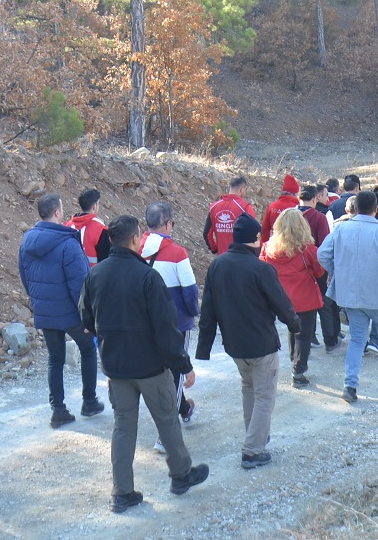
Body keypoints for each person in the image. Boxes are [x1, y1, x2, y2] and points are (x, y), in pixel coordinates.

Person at [81, 215, 210, 513]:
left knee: (123, 428)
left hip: (115, 367)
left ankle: (121, 493)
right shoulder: (148, 277)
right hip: (150, 367)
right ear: (135, 239)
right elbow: (166, 329)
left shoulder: (95, 275)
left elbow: (86, 318)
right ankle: (180, 476)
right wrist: (183, 364)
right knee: (166, 420)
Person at [196, 212, 299, 469]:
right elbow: (282, 304)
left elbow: (207, 309)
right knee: (265, 395)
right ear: (255, 239)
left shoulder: (217, 265)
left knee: (249, 388)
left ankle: (256, 435)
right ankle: (253, 450)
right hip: (261, 343)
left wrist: (203, 349)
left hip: (234, 345)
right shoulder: (261, 268)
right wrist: (296, 325)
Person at [317, 191, 378, 402]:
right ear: (376, 209)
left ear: (354, 208)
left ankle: (350, 386)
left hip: (350, 295)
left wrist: (335, 271)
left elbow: (322, 254)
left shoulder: (341, 229)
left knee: (357, 340)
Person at [18, 192, 104, 428]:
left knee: (55, 359)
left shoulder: (27, 241)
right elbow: (80, 285)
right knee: (88, 350)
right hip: (71, 313)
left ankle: (58, 410)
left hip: (45, 311)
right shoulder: (68, 243)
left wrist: (37, 301)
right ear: (57, 212)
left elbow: (24, 276)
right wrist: (89, 317)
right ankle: (89, 401)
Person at [139, 200, 200, 430]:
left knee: (160, 369)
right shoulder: (177, 253)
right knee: (176, 371)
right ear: (166, 224)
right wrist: (193, 313)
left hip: (146, 322)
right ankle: (167, 431)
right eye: (172, 223)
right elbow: (190, 290)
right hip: (177, 322)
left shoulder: (136, 249)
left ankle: (183, 408)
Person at [260, 208, 327, 388]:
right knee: (303, 336)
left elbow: (262, 270)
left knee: (292, 329)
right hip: (305, 297)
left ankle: (293, 359)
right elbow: (319, 271)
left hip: (280, 299)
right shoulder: (307, 249)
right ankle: (298, 371)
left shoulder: (268, 248)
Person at [299, 185, 339, 351]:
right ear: (315, 199)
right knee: (325, 302)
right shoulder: (318, 217)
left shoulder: (289, 216)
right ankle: (330, 339)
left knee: (304, 302)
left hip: (298, 265)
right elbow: (325, 245)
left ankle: (309, 336)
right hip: (317, 263)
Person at [203, 176, 257, 255]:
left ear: (229, 187)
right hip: (242, 258)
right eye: (245, 190)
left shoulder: (214, 207)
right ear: (242, 189)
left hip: (222, 259)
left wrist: (215, 249)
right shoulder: (245, 208)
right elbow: (253, 234)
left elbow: (207, 234)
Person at [69, 188, 111, 267]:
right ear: (94, 206)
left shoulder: (66, 226)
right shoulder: (101, 230)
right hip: (92, 276)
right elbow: (105, 260)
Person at [260, 174, 302, 244]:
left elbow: (265, 229)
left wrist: (265, 246)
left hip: (274, 245)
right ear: (295, 194)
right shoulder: (296, 208)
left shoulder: (272, 206)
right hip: (291, 247)